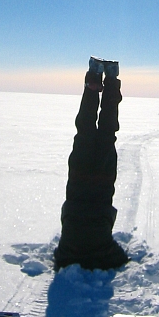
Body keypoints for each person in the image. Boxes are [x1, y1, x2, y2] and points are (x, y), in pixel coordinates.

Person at [54, 57, 129, 271]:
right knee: (87, 129)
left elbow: (117, 257)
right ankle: (99, 79)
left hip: (100, 182)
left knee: (105, 132)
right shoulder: (68, 250)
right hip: (80, 178)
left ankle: (110, 78)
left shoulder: (102, 248)